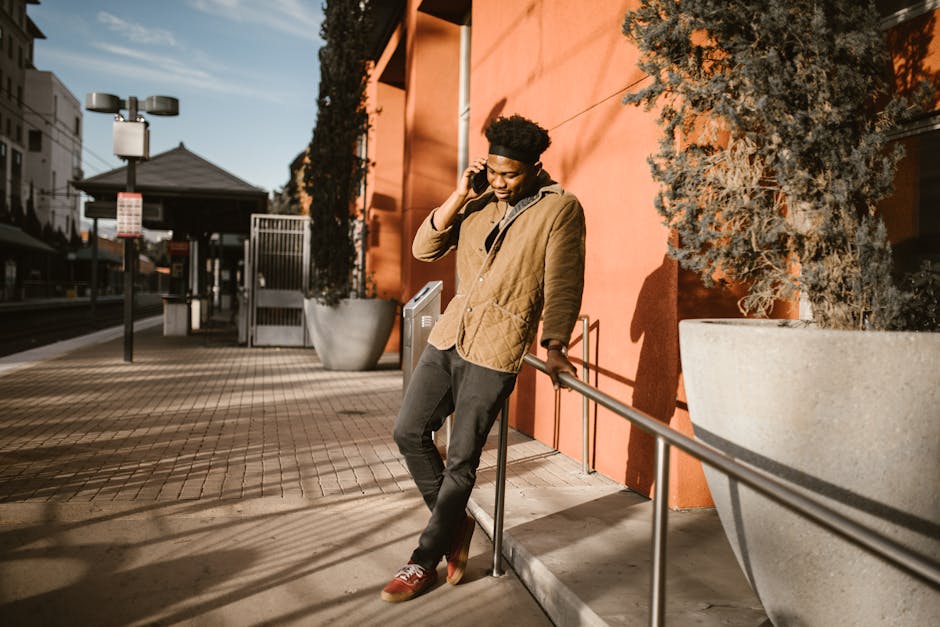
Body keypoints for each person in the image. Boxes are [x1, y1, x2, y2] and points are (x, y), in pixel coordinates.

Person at [381, 114, 586, 603]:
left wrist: (555, 345)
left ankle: (422, 560)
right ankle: (456, 526)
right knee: (408, 431)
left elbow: (563, 281)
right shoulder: (476, 203)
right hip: (449, 337)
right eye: (492, 170)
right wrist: (458, 196)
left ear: (534, 168)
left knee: (461, 460)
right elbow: (424, 248)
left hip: (497, 347)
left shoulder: (560, 209)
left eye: (509, 174)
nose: (499, 181)